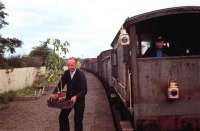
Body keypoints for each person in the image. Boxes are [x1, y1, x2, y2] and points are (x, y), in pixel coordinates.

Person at [48, 57, 87, 131]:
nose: (70, 67)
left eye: (72, 65)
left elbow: (84, 90)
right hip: (68, 100)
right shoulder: (66, 73)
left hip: (79, 101)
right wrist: (54, 94)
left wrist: (76, 97)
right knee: (62, 117)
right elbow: (60, 85)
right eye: (68, 65)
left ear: (76, 65)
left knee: (78, 121)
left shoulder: (81, 74)